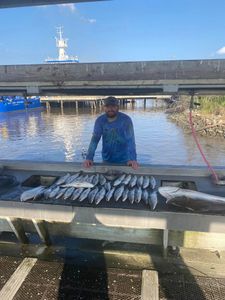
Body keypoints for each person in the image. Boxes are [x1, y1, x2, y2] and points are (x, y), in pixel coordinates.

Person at [84, 96, 138, 170]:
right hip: (107, 159)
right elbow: (95, 139)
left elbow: (130, 140)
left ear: (118, 107)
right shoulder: (100, 121)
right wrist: (89, 158)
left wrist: (133, 159)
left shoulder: (126, 120)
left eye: (113, 106)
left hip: (125, 160)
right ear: (104, 107)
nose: (110, 109)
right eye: (107, 106)